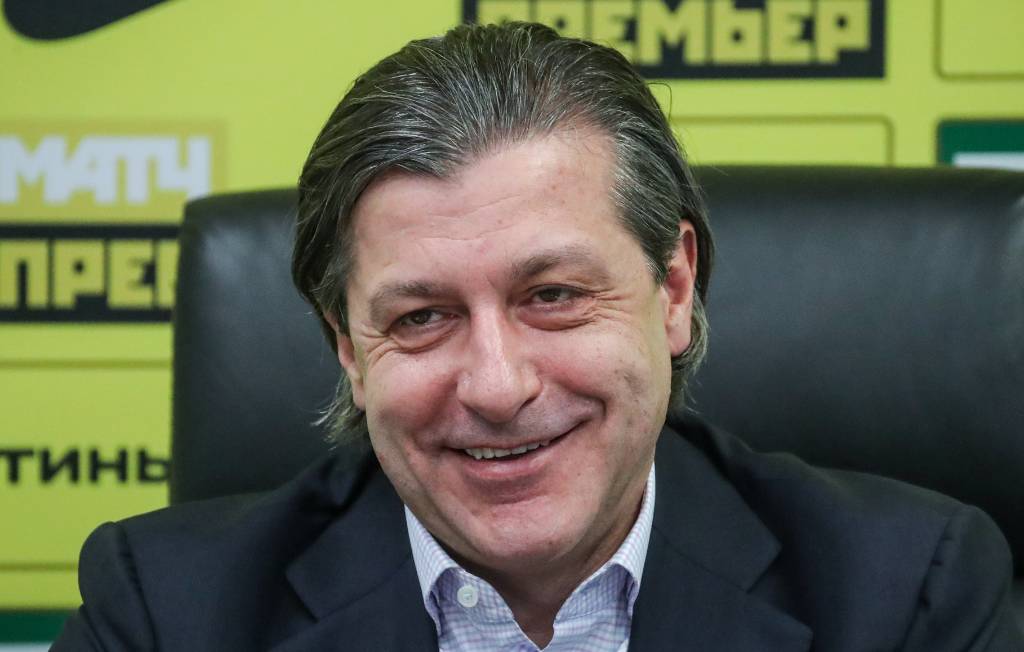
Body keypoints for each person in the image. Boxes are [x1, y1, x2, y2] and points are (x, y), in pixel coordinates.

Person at [53, 22, 1021, 651]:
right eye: (421, 317)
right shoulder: (163, 614)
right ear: (348, 348)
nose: (497, 383)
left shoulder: (909, 599)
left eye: (552, 295)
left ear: (672, 288)